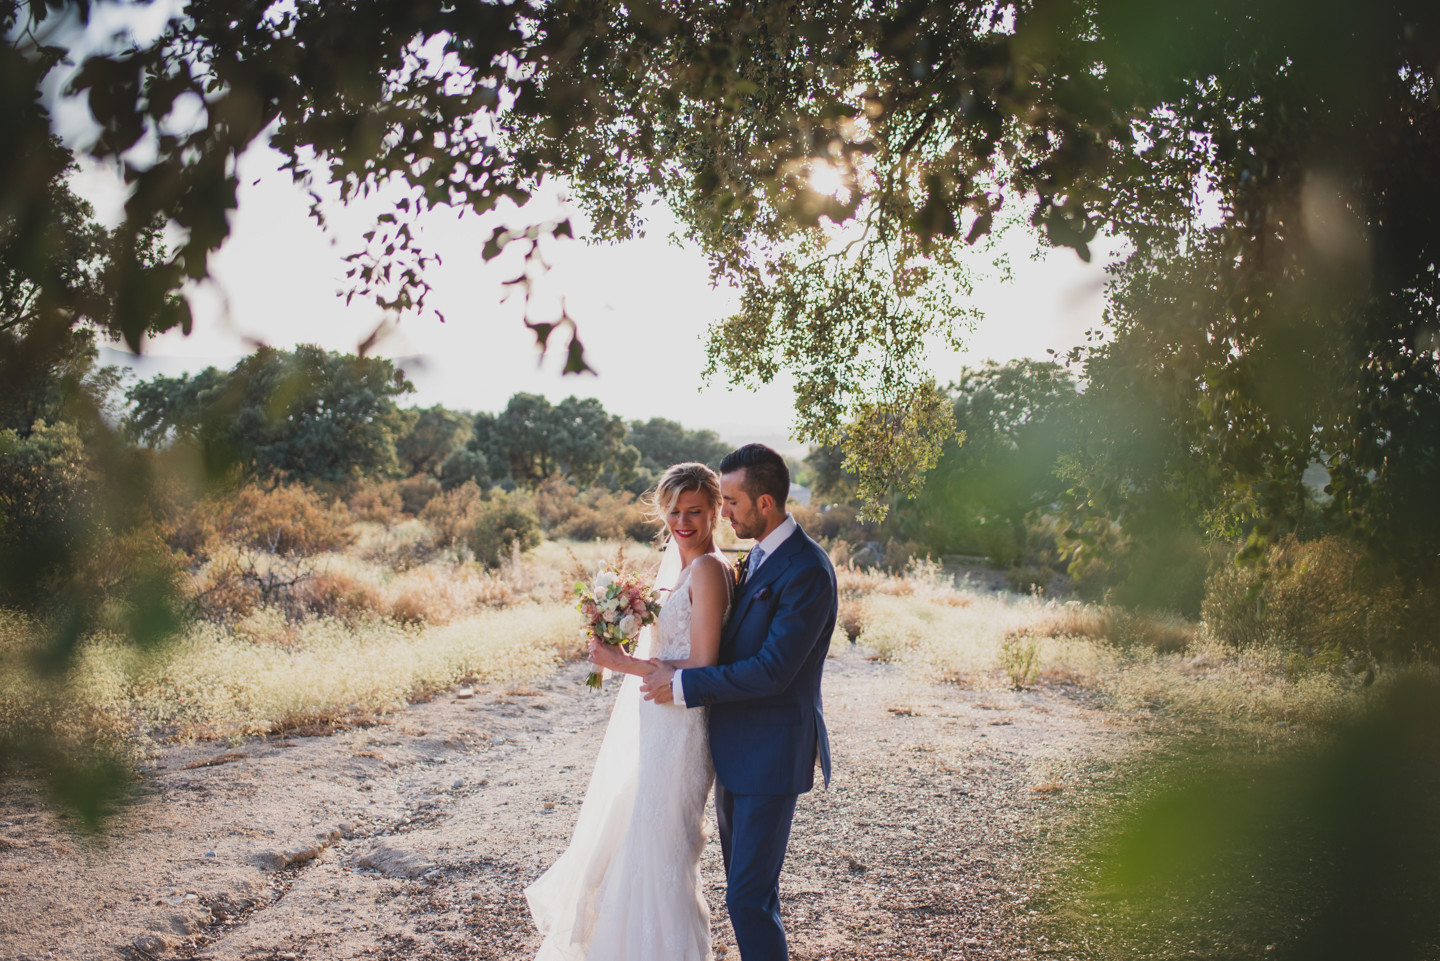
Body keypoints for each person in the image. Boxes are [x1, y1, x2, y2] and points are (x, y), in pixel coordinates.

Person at [525, 462, 733, 961]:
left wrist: (624, 662)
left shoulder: (708, 569)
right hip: (656, 718)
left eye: (695, 511)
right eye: (674, 511)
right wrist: (616, 626)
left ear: (716, 511)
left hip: (683, 727)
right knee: (634, 836)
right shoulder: (678, 565)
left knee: (662, 844)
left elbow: (703, 663)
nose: (682, 521)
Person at [642, 443, 838, 961]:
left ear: (765, 503)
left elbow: (774, 671)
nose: (722, 511)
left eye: (729, 501)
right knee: (750, 892)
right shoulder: (757, 558)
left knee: (747, 898)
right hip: (732, 751)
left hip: (771, 755)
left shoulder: (807, 570)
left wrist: (683, 686)